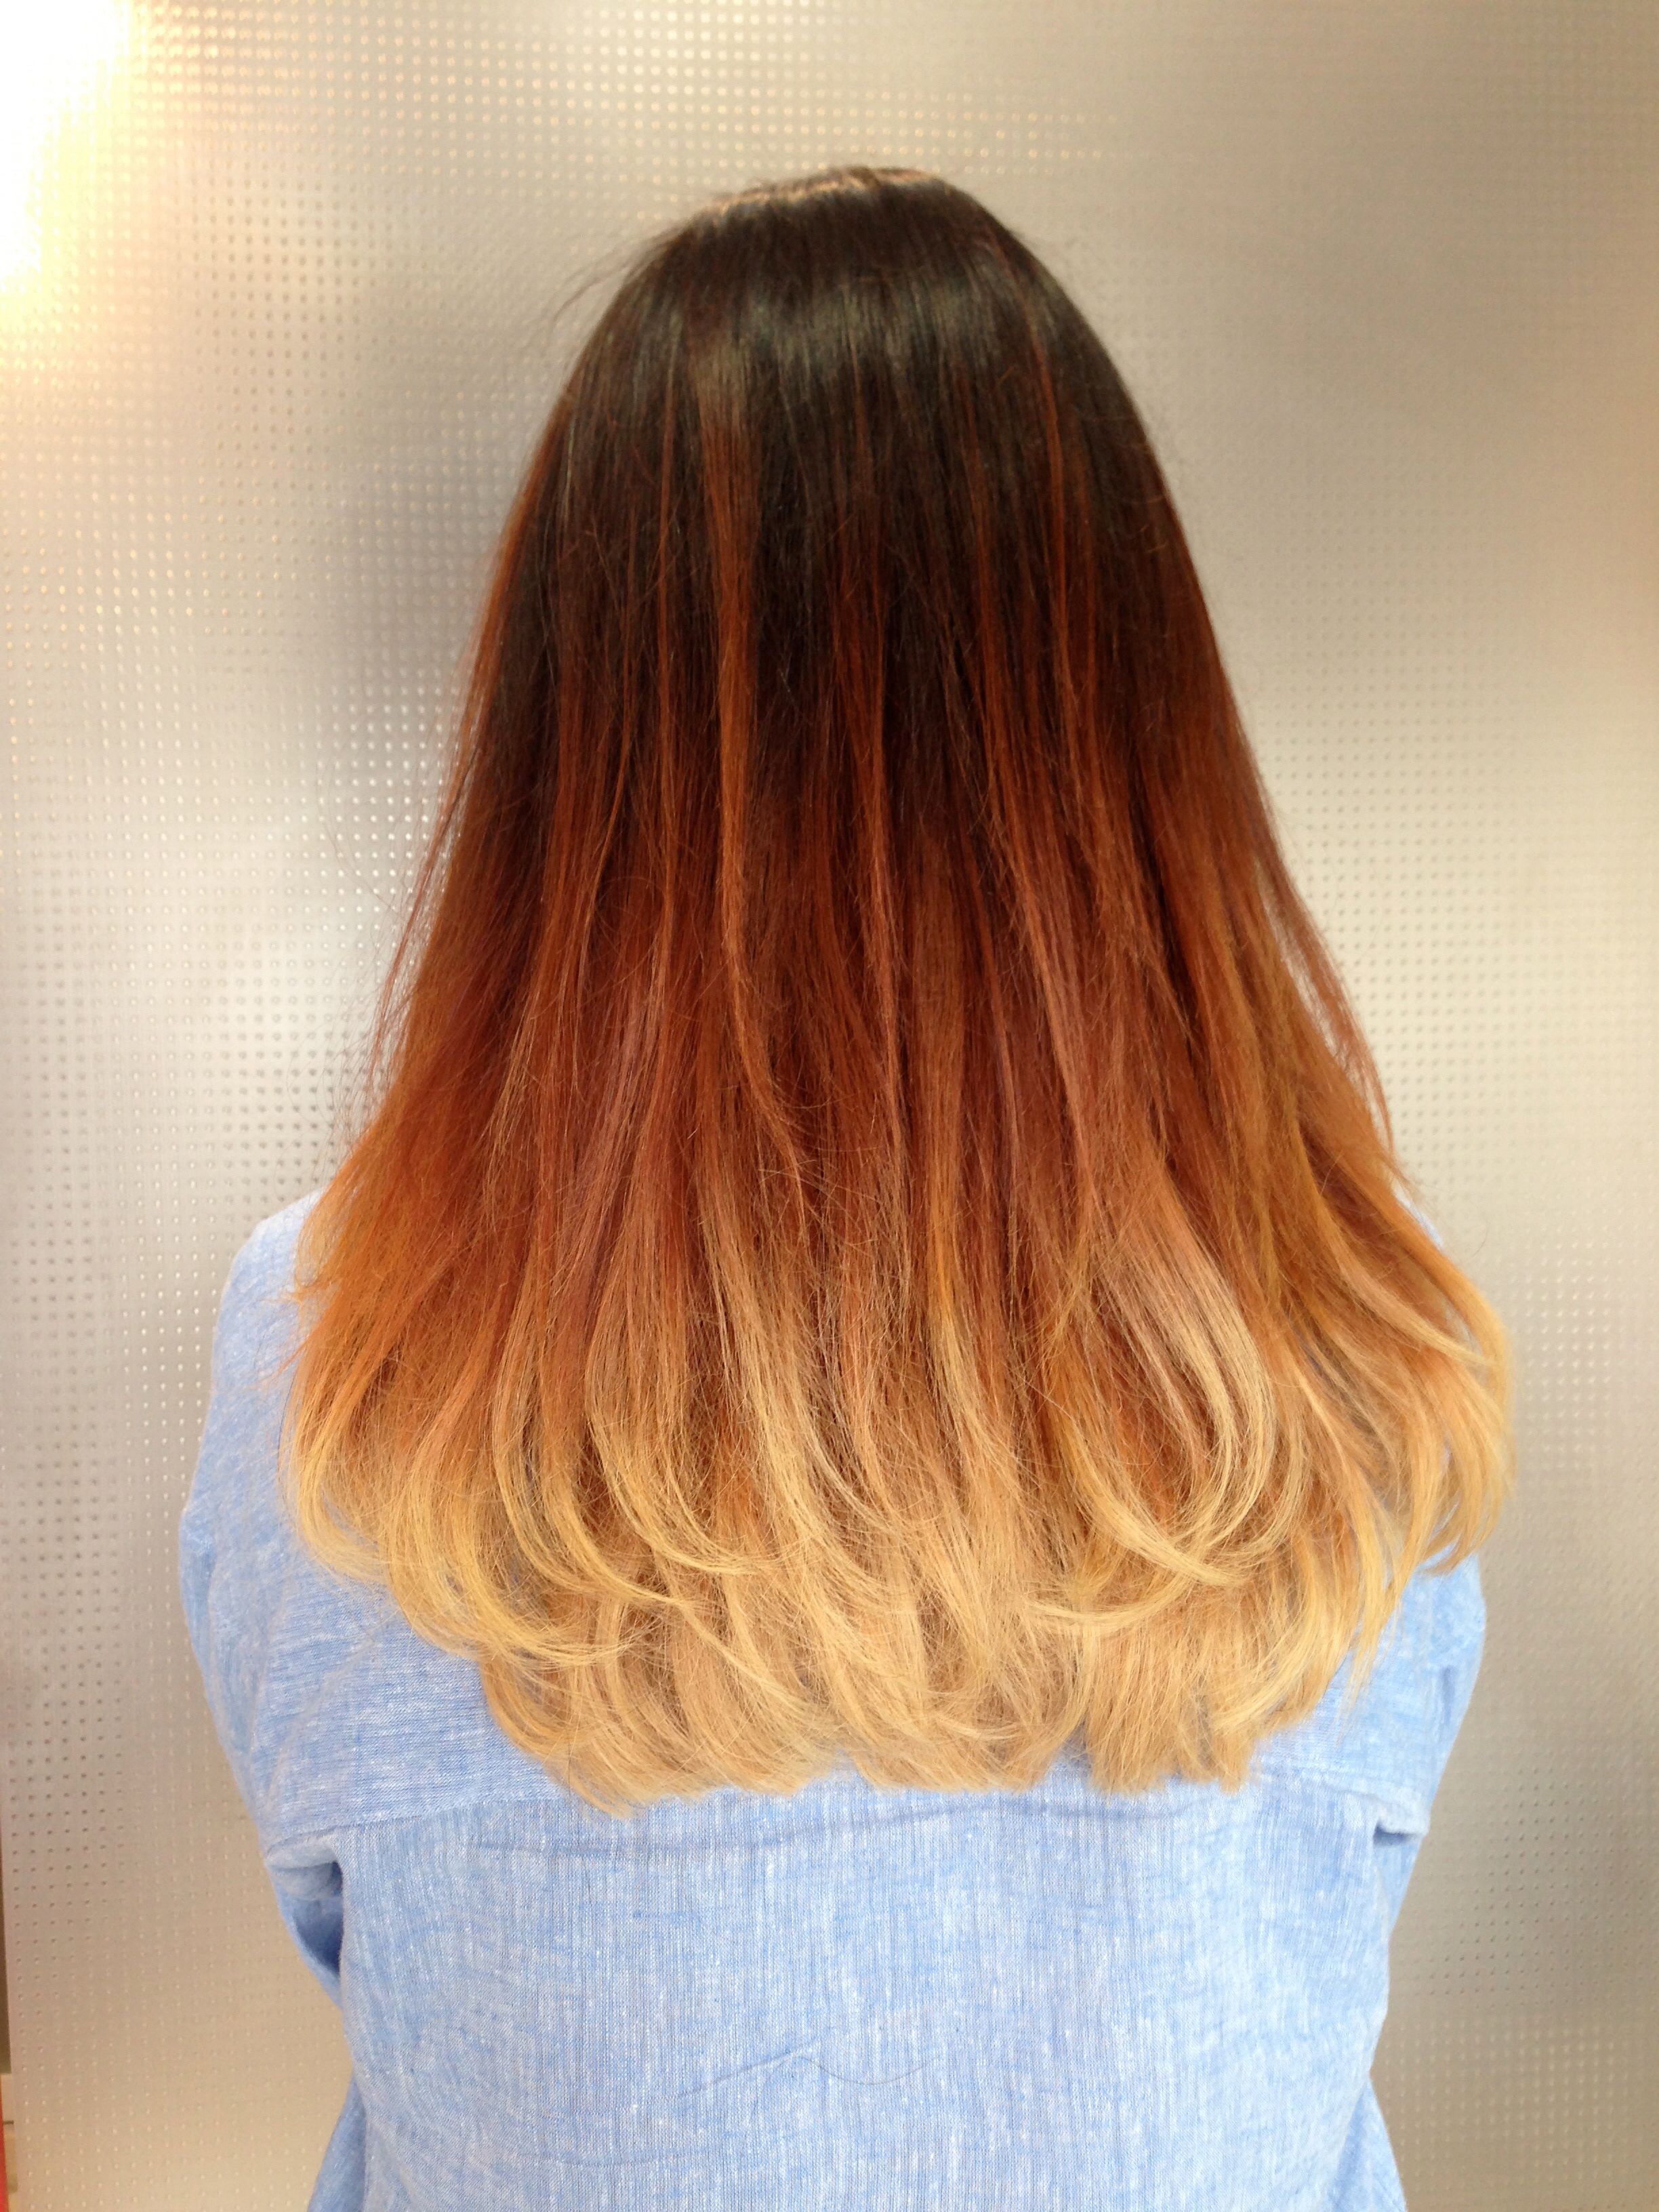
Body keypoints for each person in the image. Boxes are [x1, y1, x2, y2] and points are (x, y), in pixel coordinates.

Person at [180, 163, 1513, 2211]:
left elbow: (356, 1927)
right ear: (1138, 736)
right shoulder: (1354, 1353)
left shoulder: (340, 1347)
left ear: (566, 746)